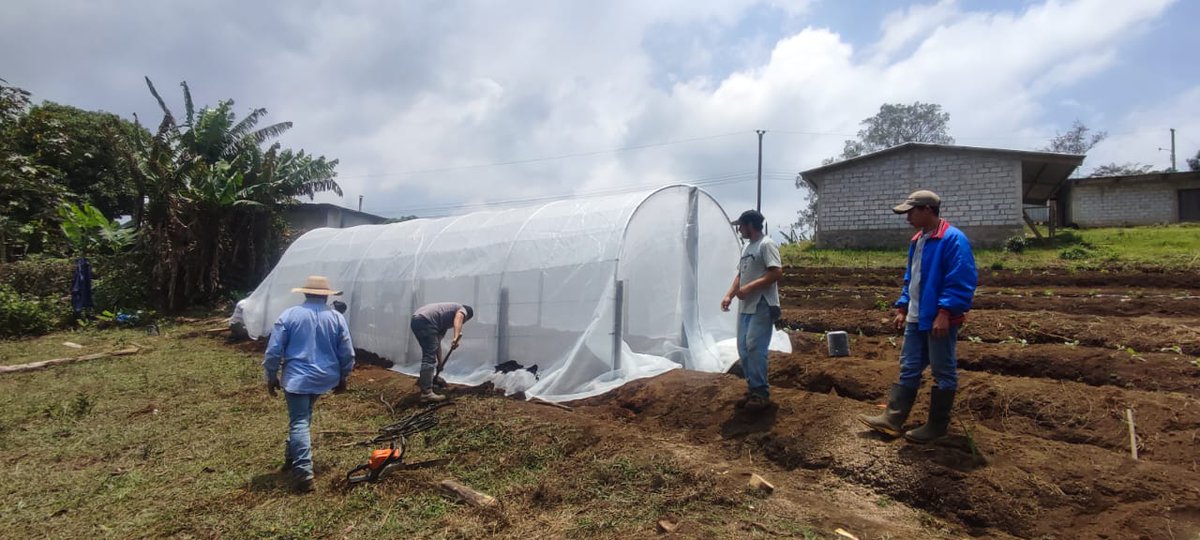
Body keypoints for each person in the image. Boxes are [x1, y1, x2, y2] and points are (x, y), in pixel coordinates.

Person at [858, 190, 977, 443]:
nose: (907, 217)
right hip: (915, 316)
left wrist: (945, 312)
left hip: (938, 318)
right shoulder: (917, 240)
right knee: (909, 367)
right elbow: (911, 279)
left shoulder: (952, 239)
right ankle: (892, 419)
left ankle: (937, 427)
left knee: (943, 370)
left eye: (911, 212)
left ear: (927, 210)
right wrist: (902, 308)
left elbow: (961, 279)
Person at [263, 275, 355, 492]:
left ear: (305, 293)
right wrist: (343, 376)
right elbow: (347, 353)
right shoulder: (336, 318)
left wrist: (271, 376)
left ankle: (303, 472)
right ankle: (291, 457)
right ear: (326, 296)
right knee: (303, 417)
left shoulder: (289, 316)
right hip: (324, 377)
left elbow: (274, 351)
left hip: (297, 378)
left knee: (299, 422)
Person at [721, 209, 783, 412]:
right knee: (743, 349)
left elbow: (776, 273)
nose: (739, 230)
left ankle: (760, 393)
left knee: (755, 346)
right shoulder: (747, 247)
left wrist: (749, 288)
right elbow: (740, 274)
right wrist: (729, 294)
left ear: (750, 225)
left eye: (741, 225)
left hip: (763, 304)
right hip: (746, 306)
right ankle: (753, 388)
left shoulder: (766, 245)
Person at [410, 302, 474, 402]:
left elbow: (436, 344)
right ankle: (426, 393)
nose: (463, 322)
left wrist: (440, 363)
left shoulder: (442, 323)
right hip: (425, 320)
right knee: (429, 357)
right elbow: (459, 317)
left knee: (429, 353)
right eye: (465, 320)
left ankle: (426, 383)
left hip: (417, 320)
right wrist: (456, 337)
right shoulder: (462, 310)